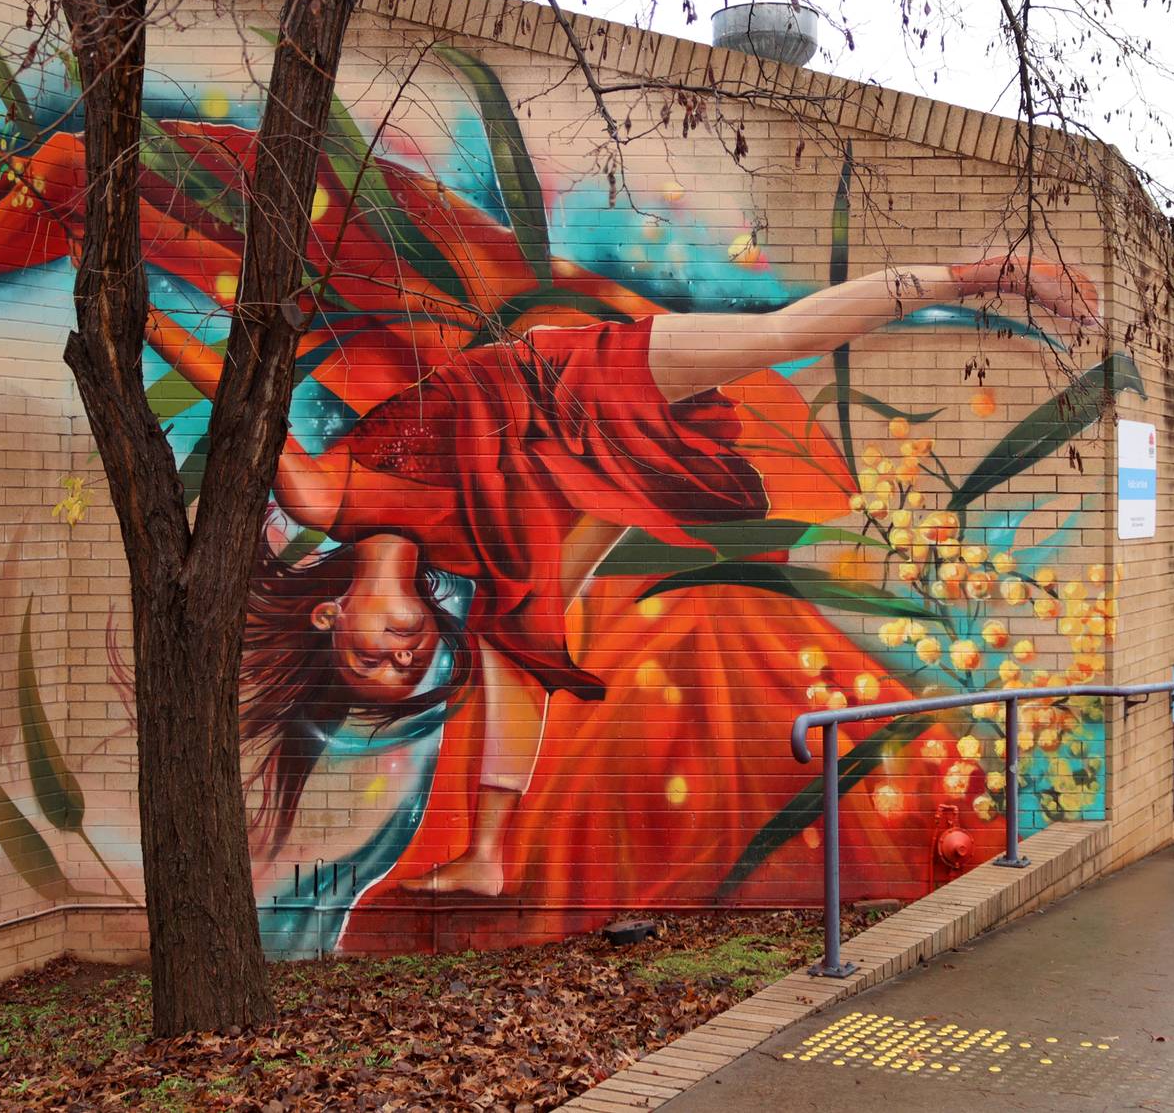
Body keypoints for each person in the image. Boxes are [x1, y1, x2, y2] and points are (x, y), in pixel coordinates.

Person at [246, 256, 1097, 896]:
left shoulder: (324, 495)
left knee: (782, 335)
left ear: (330, 615)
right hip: (606, 469)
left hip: (570, 380)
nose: (401, 657)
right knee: (527, 628)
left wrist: (135, 302)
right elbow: (521, 667)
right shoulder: (488, 565)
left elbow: (237, 371)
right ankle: (488, 851)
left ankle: (993, 270)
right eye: (409, 674)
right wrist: (485, 852)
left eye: (370, 662)